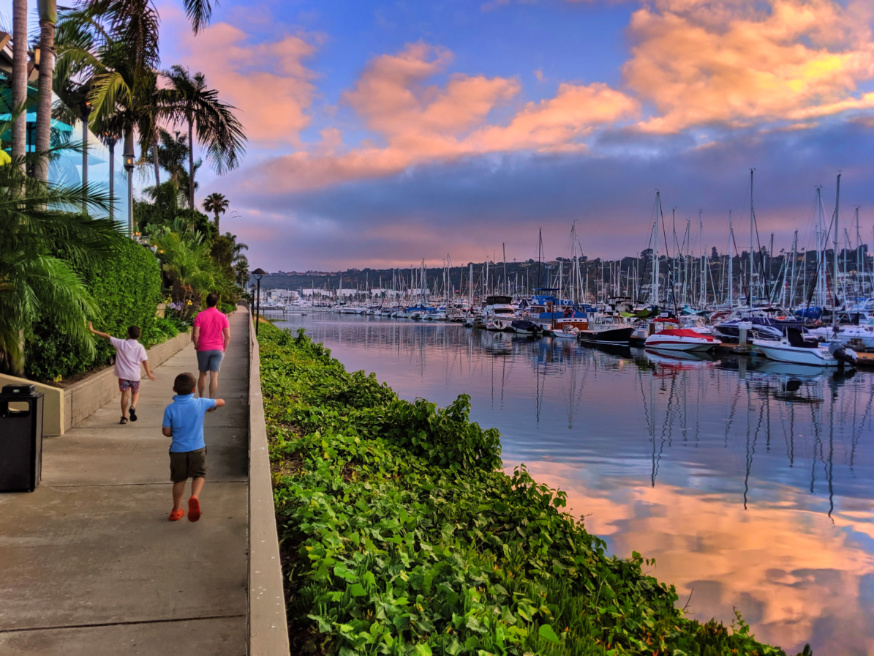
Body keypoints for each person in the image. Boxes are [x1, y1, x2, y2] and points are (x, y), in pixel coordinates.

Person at [161, 372, 225, 522]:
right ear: (194, 390)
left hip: (178, 450)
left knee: (179, 480)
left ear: (173, 389)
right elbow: (221, 401)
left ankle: (176, 510)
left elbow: (166, 431)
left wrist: (173, 432)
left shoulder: (170, 409)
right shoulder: (200, 403)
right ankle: (194, 496)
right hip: (197, 448)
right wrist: (211, 407)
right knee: (199, 475)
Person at [88, 322, 156, 424]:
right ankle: (133, 406)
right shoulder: (140, 347)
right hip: (135, 375)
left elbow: (107, 336)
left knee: (125, 394)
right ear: (138, 335)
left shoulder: (121, 343)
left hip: (123, 375)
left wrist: (92, 330)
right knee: (135, 392)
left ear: (128, 334)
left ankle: (124, 417)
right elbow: (144, 361)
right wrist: (149, 373)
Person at [192, 293, 230, 399]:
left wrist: (196, 345)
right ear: (217, 303)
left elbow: (195, 335)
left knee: (202, 374)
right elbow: (227, 336)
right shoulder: (223, 317)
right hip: (218, 349)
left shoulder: (199, 315)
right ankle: (212, 401)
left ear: (206, 302)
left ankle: (200, 398)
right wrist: (223, 349)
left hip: (203, 348)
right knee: (214, 376)